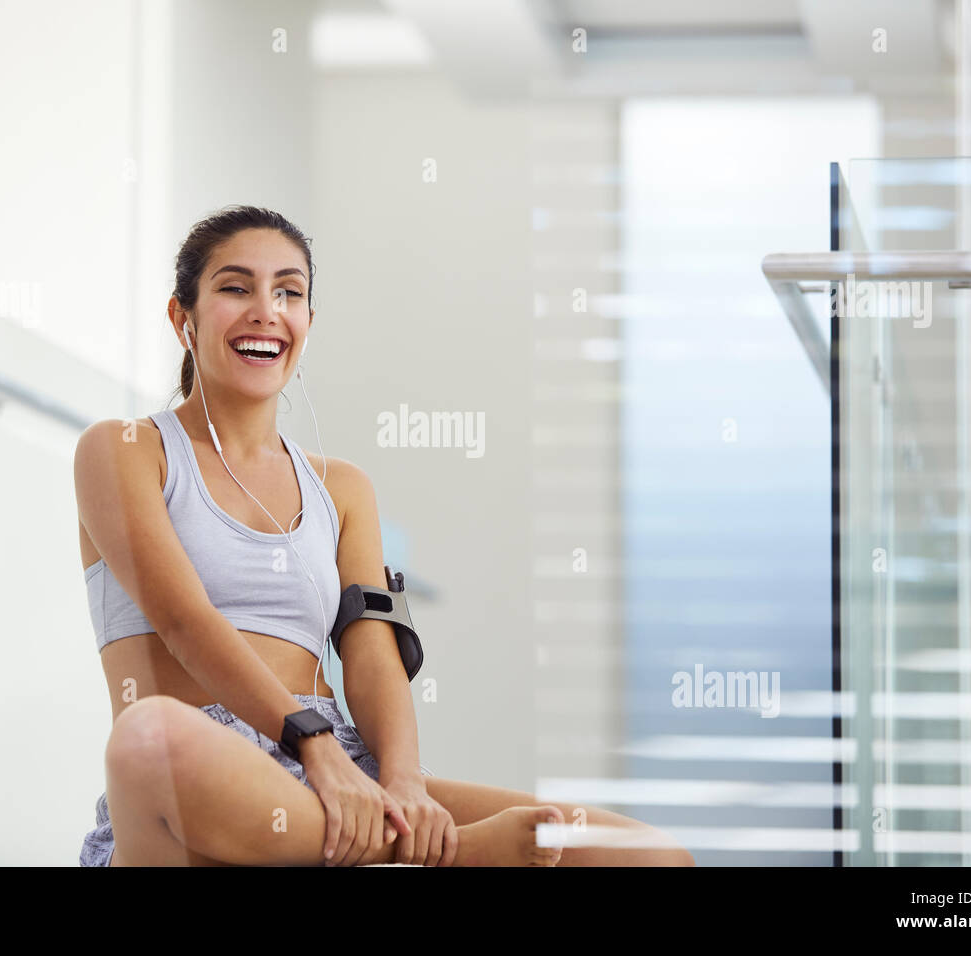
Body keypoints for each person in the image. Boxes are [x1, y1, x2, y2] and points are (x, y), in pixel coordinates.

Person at [75, 204, 694, 866]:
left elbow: (372, 651)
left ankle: (395, 838)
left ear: (307, 322)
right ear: (183, 319)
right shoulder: (125, 449)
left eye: (289, 291)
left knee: (644, 855)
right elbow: (183, 620)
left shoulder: (342, 488)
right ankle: (440, 855)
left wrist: (403, 784)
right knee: (147, 738)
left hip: (341, 768)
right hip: (207, 778)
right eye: (235, 288)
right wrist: (308, 740)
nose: (265, 309)